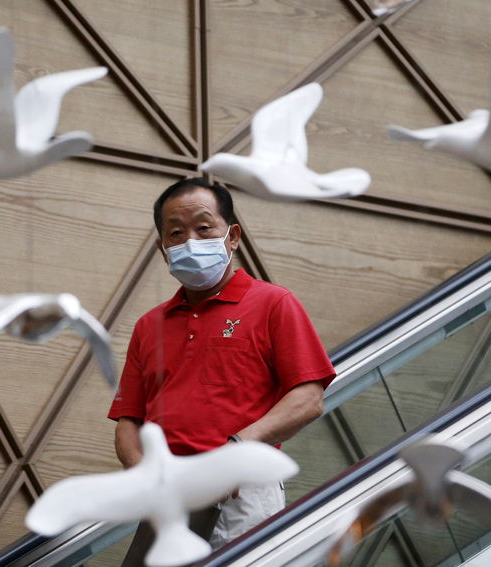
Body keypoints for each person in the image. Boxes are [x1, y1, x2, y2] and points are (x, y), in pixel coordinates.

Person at [107, 178, 335, 564]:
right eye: (175, 233)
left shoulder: (274, 303)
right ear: (164, 251)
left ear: (232, 237)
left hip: (243, 489)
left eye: (203, 227)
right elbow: (128, 420)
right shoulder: (149, 326)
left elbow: (309, 398)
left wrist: (235, 452)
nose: (190, 241)